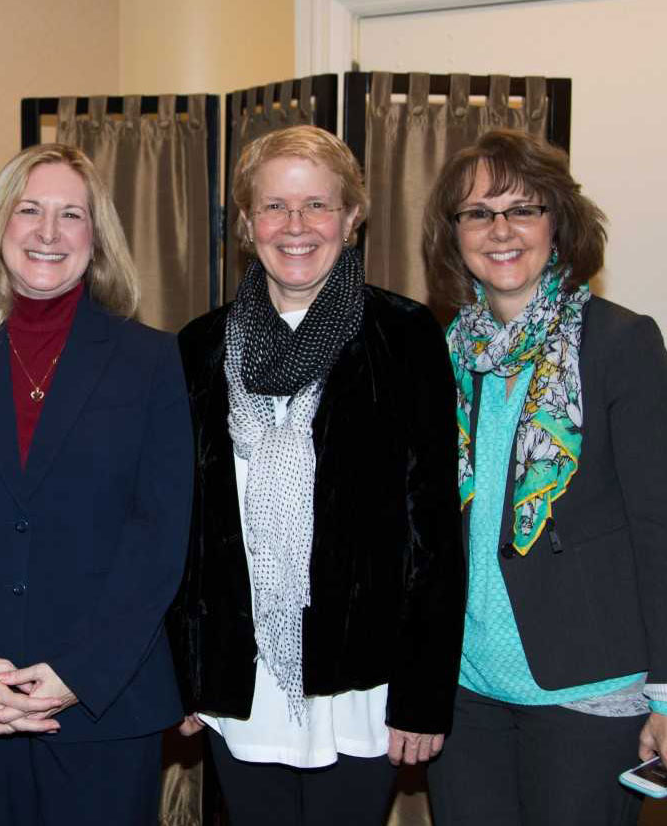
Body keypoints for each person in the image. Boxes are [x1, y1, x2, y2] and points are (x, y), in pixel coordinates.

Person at [0, 142, 192, 825]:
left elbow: (159, 536)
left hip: (103, 701)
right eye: (29, 210)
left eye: (71, 215)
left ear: (96, 236)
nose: (49, 233)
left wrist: (77, 672)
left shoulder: (153, 362)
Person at [166, 124, 465, 825]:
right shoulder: (199, 347)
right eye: (274, 206)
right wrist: (181, 676)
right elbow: (180, 532)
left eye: (318, 206)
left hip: (359, 682)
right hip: (241, 679)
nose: (295, 226)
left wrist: (423, 694)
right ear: (245, 223)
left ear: (353, 217)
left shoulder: (405, 335)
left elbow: (434, 528)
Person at [421, 129, 667, 824]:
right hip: (464, 695)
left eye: (523, 208)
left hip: (587, 694)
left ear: (558, 223)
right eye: (478, 212)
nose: (500, 230)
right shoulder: (439, 356)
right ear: (453, 234)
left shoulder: (620, 344)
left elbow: (666, 531)